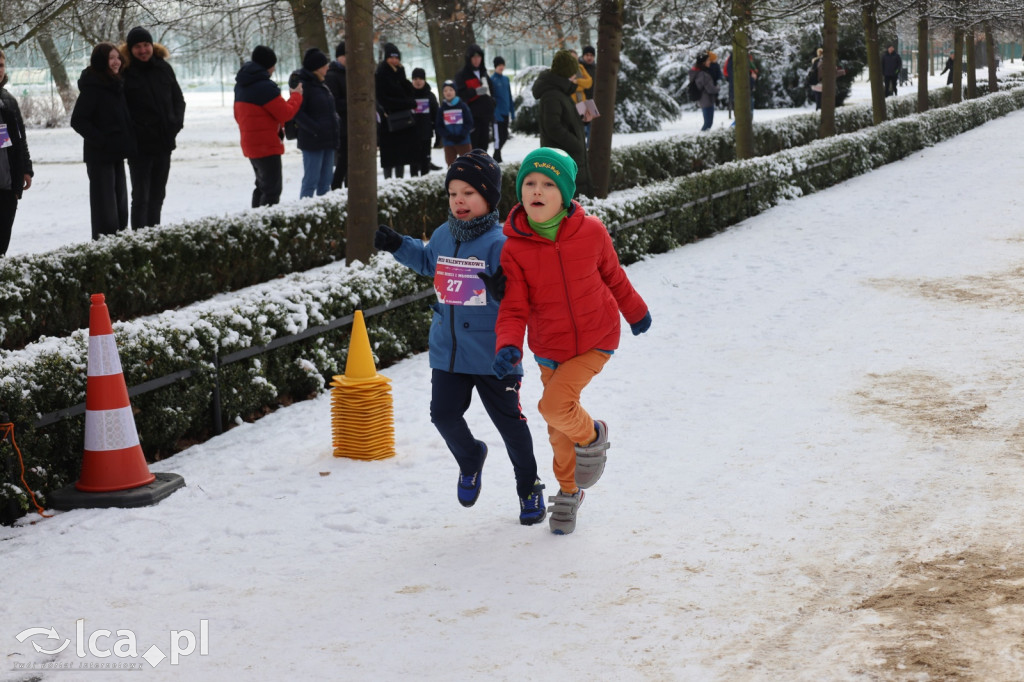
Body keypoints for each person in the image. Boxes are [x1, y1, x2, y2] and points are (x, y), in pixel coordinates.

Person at [373, 149, 546, 526]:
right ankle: (470, 456)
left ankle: (529, 486)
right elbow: (426, 261)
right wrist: (398, 245)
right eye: (453, 193)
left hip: (493, 354)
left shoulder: (502, 244)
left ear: (488, 197)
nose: (459, 201)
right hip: (448, 352)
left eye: (468, 192)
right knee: (443, 415)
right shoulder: (441, 235)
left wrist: (505, 290)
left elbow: (525, 294)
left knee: (511, 427)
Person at [492, 147, 651, 535]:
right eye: (529, 183)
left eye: (548, 183)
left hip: (596, 337)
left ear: (564, 194)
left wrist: (635, 311)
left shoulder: (591, 231)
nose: (537, 190)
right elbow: (514, 307)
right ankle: (569, 491)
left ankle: (594, 437)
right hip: (549, 347)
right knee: (557, 429)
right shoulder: (514, 248)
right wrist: (507, 346)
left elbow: (614, 277)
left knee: (554, 406)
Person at [119, 26, 185, 230]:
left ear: (152, 45)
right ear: (130, 50)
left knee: (158, 195)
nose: (143, 50)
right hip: (139, 148)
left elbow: (178, 100)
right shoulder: (125, 73)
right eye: (137, 47)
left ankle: (154, 235)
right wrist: (135, 133)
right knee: (141, 197)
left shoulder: (164, 68)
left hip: (163, 143)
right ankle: (140, 240)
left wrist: (175, 124)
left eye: (146, 45)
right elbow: (121, 110)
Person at [70, 43, 137, 240]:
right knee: (105, 212)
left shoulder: (115, 84)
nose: (116, 62)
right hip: (100, 157)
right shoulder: (94, 87)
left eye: (118, 57)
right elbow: (78, 120)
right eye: (111, 58)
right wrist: (102, 141)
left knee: (120, 208)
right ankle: (104, 250)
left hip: (116, 155)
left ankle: (119, 247)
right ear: (101, 61)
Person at [233, 45, 303, 208]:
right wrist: (296, 96)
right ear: (268, 65)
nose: (274, 69)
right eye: (273, 65)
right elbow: (285, 113)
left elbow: (238, 115)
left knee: (261, 187)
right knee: (272, 191)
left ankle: (254, 223)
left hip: (250, 143)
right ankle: (265, 227)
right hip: (267, 145)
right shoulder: (265, 87)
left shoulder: (242, 84)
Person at [531, 50, 594, 197]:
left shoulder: (562, 91)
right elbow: (553, 127)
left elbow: (566, 121)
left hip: (569, 157)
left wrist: (582, 121)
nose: (575, 75)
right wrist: (576, 143)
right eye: (573, 72)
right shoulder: (552, 95)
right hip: (563, 158)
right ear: (566, 72)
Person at [290, 48, 338, 198]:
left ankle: (324, 217)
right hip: (312, 141)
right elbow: (297, 112)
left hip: (328, 140)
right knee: (311, 181)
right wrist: (315, 129)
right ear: (317, 67)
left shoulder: (322, 84)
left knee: (325, 183)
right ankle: (305, 214)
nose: (328, 67)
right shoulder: (302, 85)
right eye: (325, 65)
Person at [0, 49, 33, 257]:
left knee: (2, 244)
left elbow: (19, 139)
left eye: (1, 65)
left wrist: (26, 168)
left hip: (6, 184)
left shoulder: (8, 101)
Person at [375, 43, 418, 179]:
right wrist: (406, 104)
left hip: (402, 119)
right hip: (389, 119)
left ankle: (399, 180)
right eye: (391, 58)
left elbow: (409, 92)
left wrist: (402, 75)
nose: (394, 60)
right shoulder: (381, 74)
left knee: (401, 155)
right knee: (389, 155)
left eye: (396, 58)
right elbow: (383, 98)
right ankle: (389, 182)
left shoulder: (400, 73)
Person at [454, 44, 494, 152]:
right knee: (473, 147)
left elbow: (491, 91)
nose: (477, 60)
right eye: (474, 57)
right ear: (469, 58)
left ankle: (483, 168)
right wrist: (475, 91)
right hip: (471, 118)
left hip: (485, 117)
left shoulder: (484, 73)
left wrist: (492, 103)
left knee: (484, 147)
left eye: (479, 57)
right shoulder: (462, 75)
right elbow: (459, 95)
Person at [323, 41, 349, 189]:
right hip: (341, 125)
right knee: (343, 161)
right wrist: (352, 103)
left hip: (351, 124)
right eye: (344, 55)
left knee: (349, 162)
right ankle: (336, 188)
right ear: (338, 57)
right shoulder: (332, 76)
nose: (347, 58)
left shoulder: (351, 74)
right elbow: (334, 102)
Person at [409, 67, 439, 176]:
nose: (418, 81)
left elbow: (436, 116)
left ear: (424, 80)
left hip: (426, 134)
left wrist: (438, 133)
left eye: (420, 78)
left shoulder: (430, 96)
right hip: (411, 135)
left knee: (425, 162)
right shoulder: (408, 95)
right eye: (415, 78)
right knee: (413, 163)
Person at [436, 80, 473, 166]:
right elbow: (439, 125)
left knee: (467, 164)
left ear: (455, 91)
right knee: (451, 165)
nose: (448, 92)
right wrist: (448, 136)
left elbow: (469, 122)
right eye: (445, 90)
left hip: (463, 141)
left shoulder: (463, 106)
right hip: (449, 143)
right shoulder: (442, 109)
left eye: (451, 90)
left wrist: (462, 135)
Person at [490, 56, 514, 163]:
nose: (501, 67)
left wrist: (512, 112)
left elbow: (509, 95)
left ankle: (496, 155)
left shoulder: (506, 79)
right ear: (495, 66)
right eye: (499, 65)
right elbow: (492, 99)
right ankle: (497, 156)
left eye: (503, 65)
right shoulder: (492, 80)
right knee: (498, 137)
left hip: (505, 113)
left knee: (504, 136)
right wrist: (495, 113)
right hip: (497, 114)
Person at [724, 52, 758, 125]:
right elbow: (741, 78)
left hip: (740, 92)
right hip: (741, 93)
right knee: (743, 117)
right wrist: (752, 79)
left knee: (744, 117)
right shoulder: (738, 59)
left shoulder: (734, 59)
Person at [689, 51, 719, 131]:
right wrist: (718, 88)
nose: (710, 62)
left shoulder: (696, 72)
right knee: (708, 123)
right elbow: (710, 89)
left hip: (703, 99)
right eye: (708, 60)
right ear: (703, 62)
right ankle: (702, 137)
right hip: (707, 100)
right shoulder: (703, 74)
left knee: (707, 122)